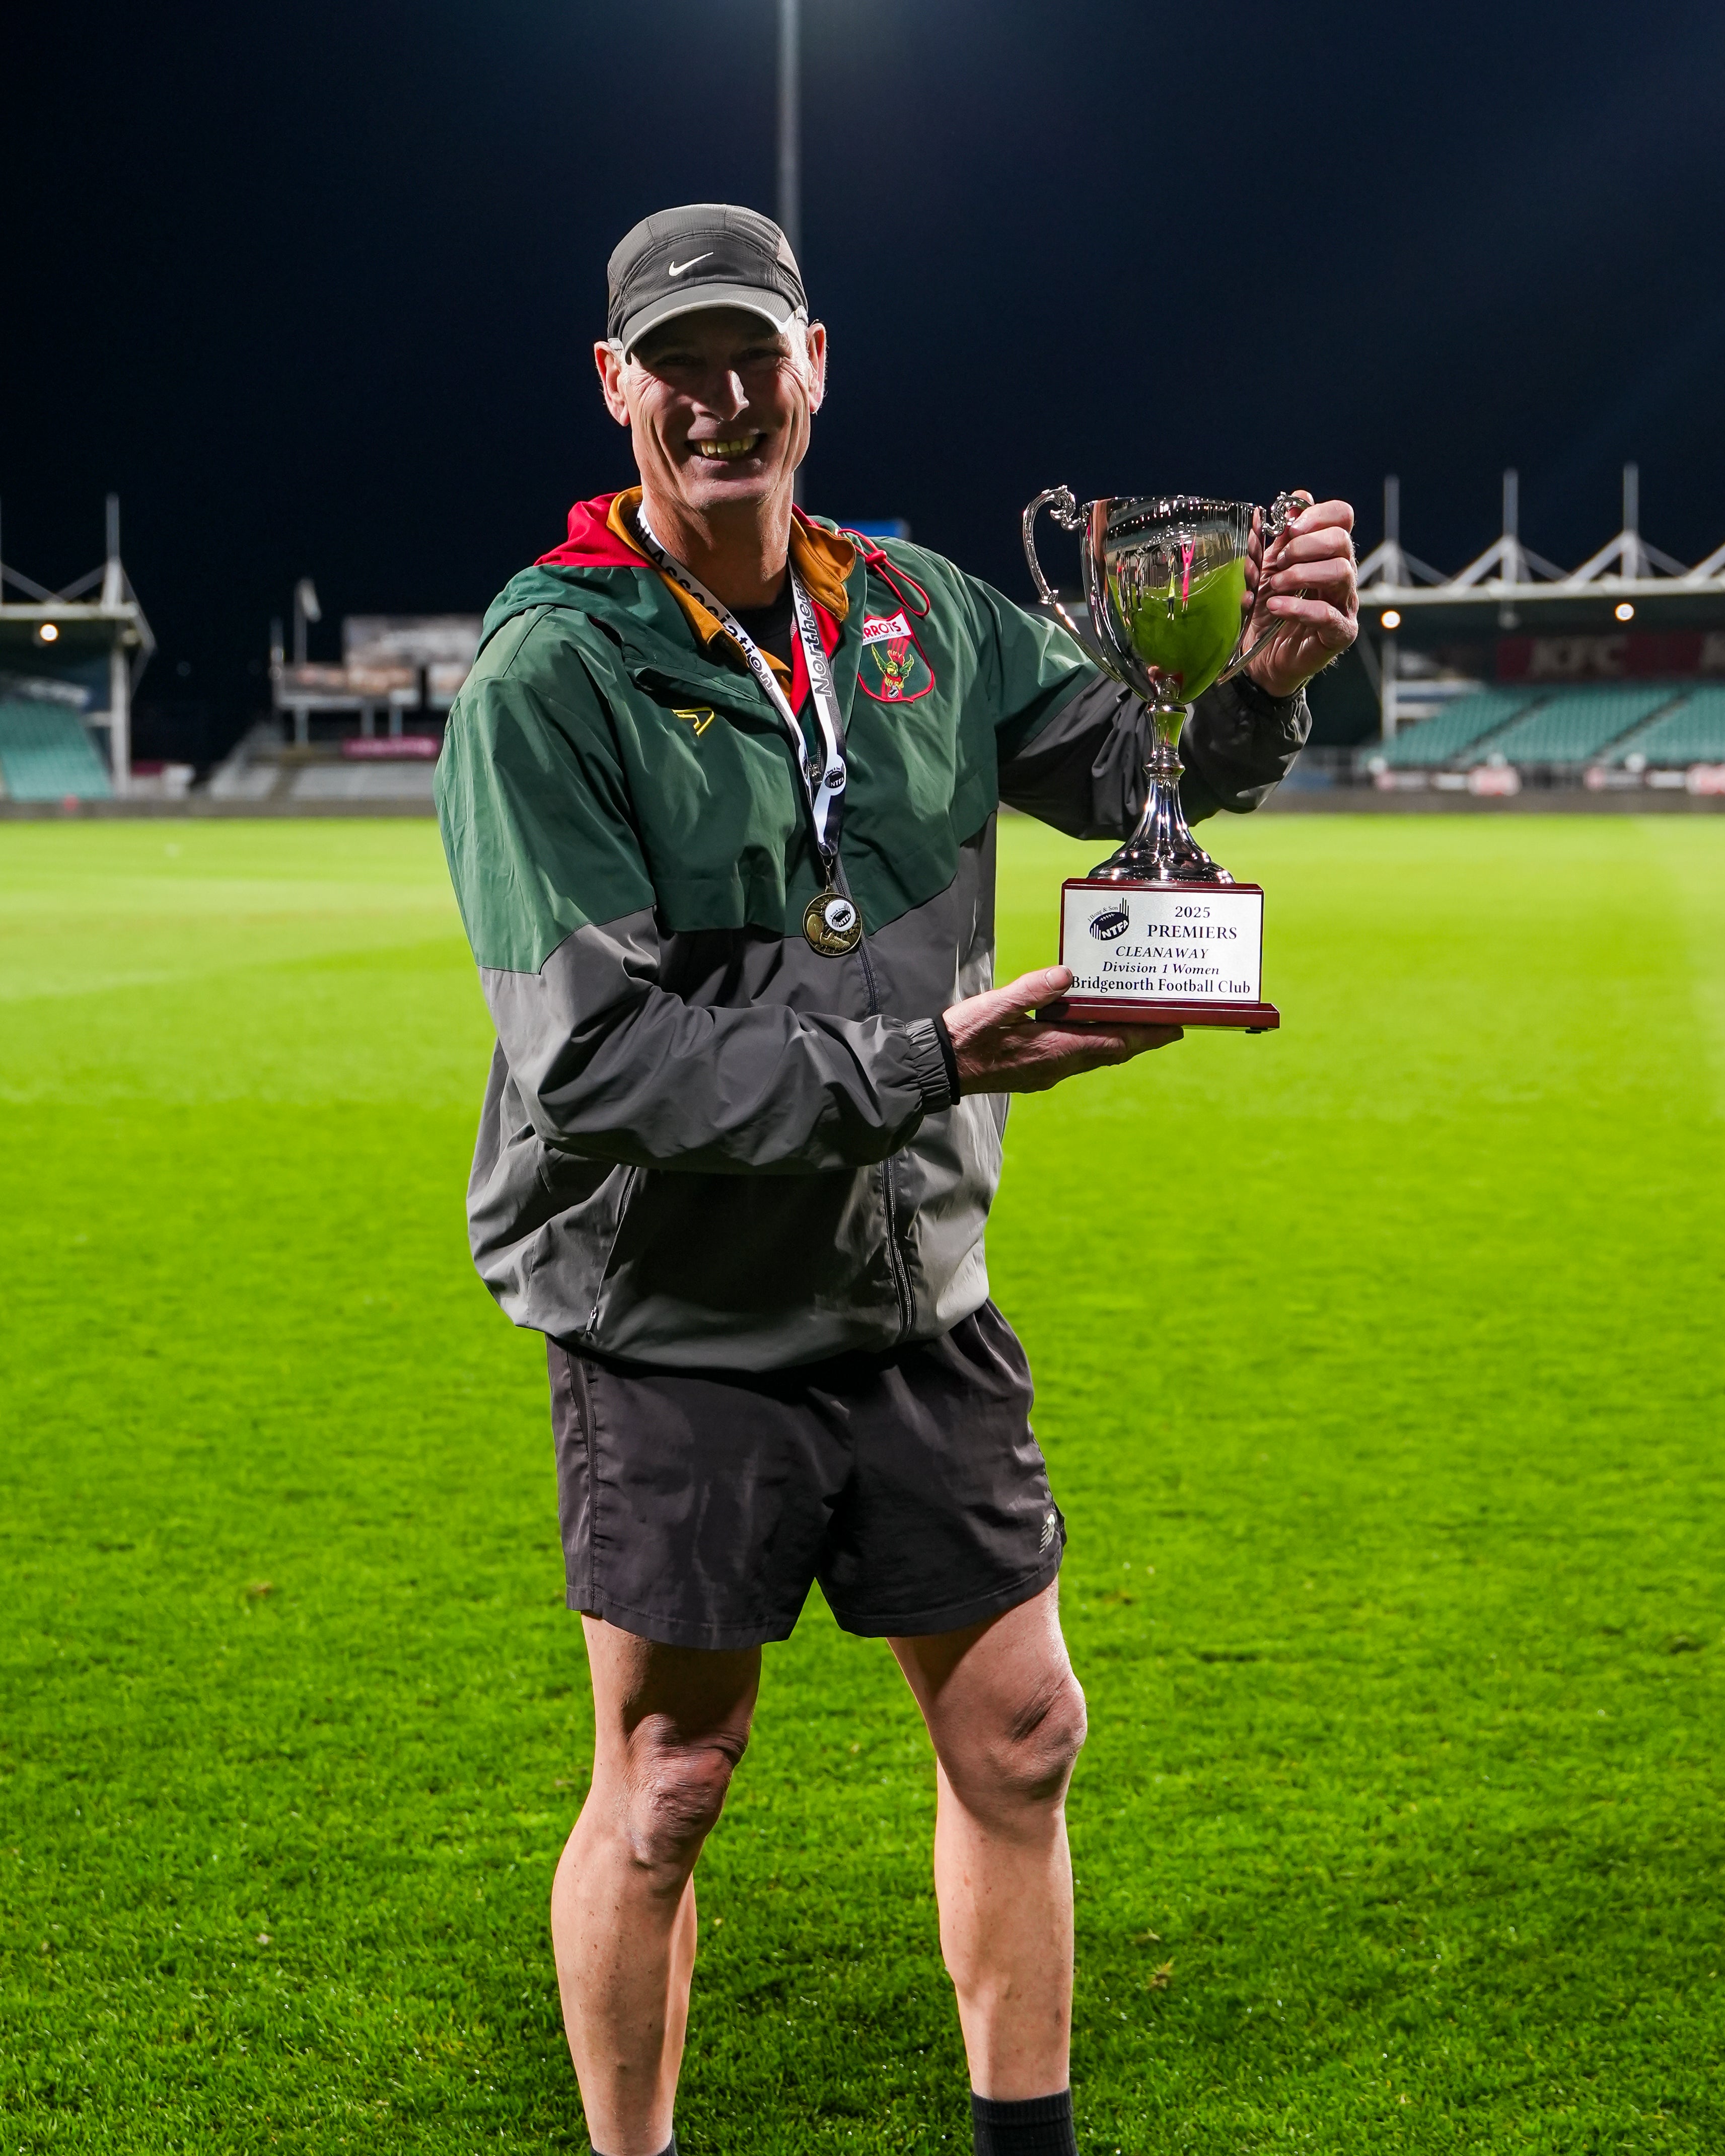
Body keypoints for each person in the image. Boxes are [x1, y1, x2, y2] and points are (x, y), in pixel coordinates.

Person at [435, 201, 1357, 2156]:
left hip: (908, 1287)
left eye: (750, 352)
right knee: (670, 1780)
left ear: (815, 365)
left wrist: (1253, 676)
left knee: (1024, 1733)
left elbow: (1140, 776)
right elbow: (594, 1066)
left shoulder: (926, 616)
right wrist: (935, 1055)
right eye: (673, 364)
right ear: (614, 390)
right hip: (676, 1309)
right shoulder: (550, 672)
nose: (719, 396)